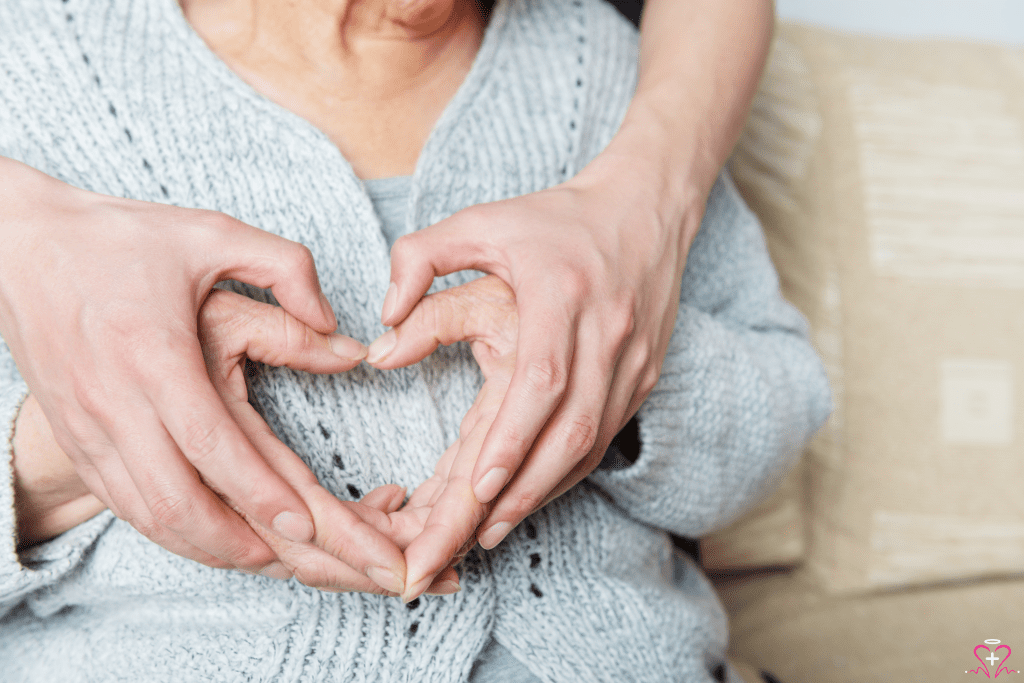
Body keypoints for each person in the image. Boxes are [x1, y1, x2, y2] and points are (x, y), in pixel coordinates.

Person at [1, 0, 828, 679]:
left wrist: (616, 368)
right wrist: (62, 453)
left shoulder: (602, 65)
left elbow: (776, 410)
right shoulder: (30, 73)